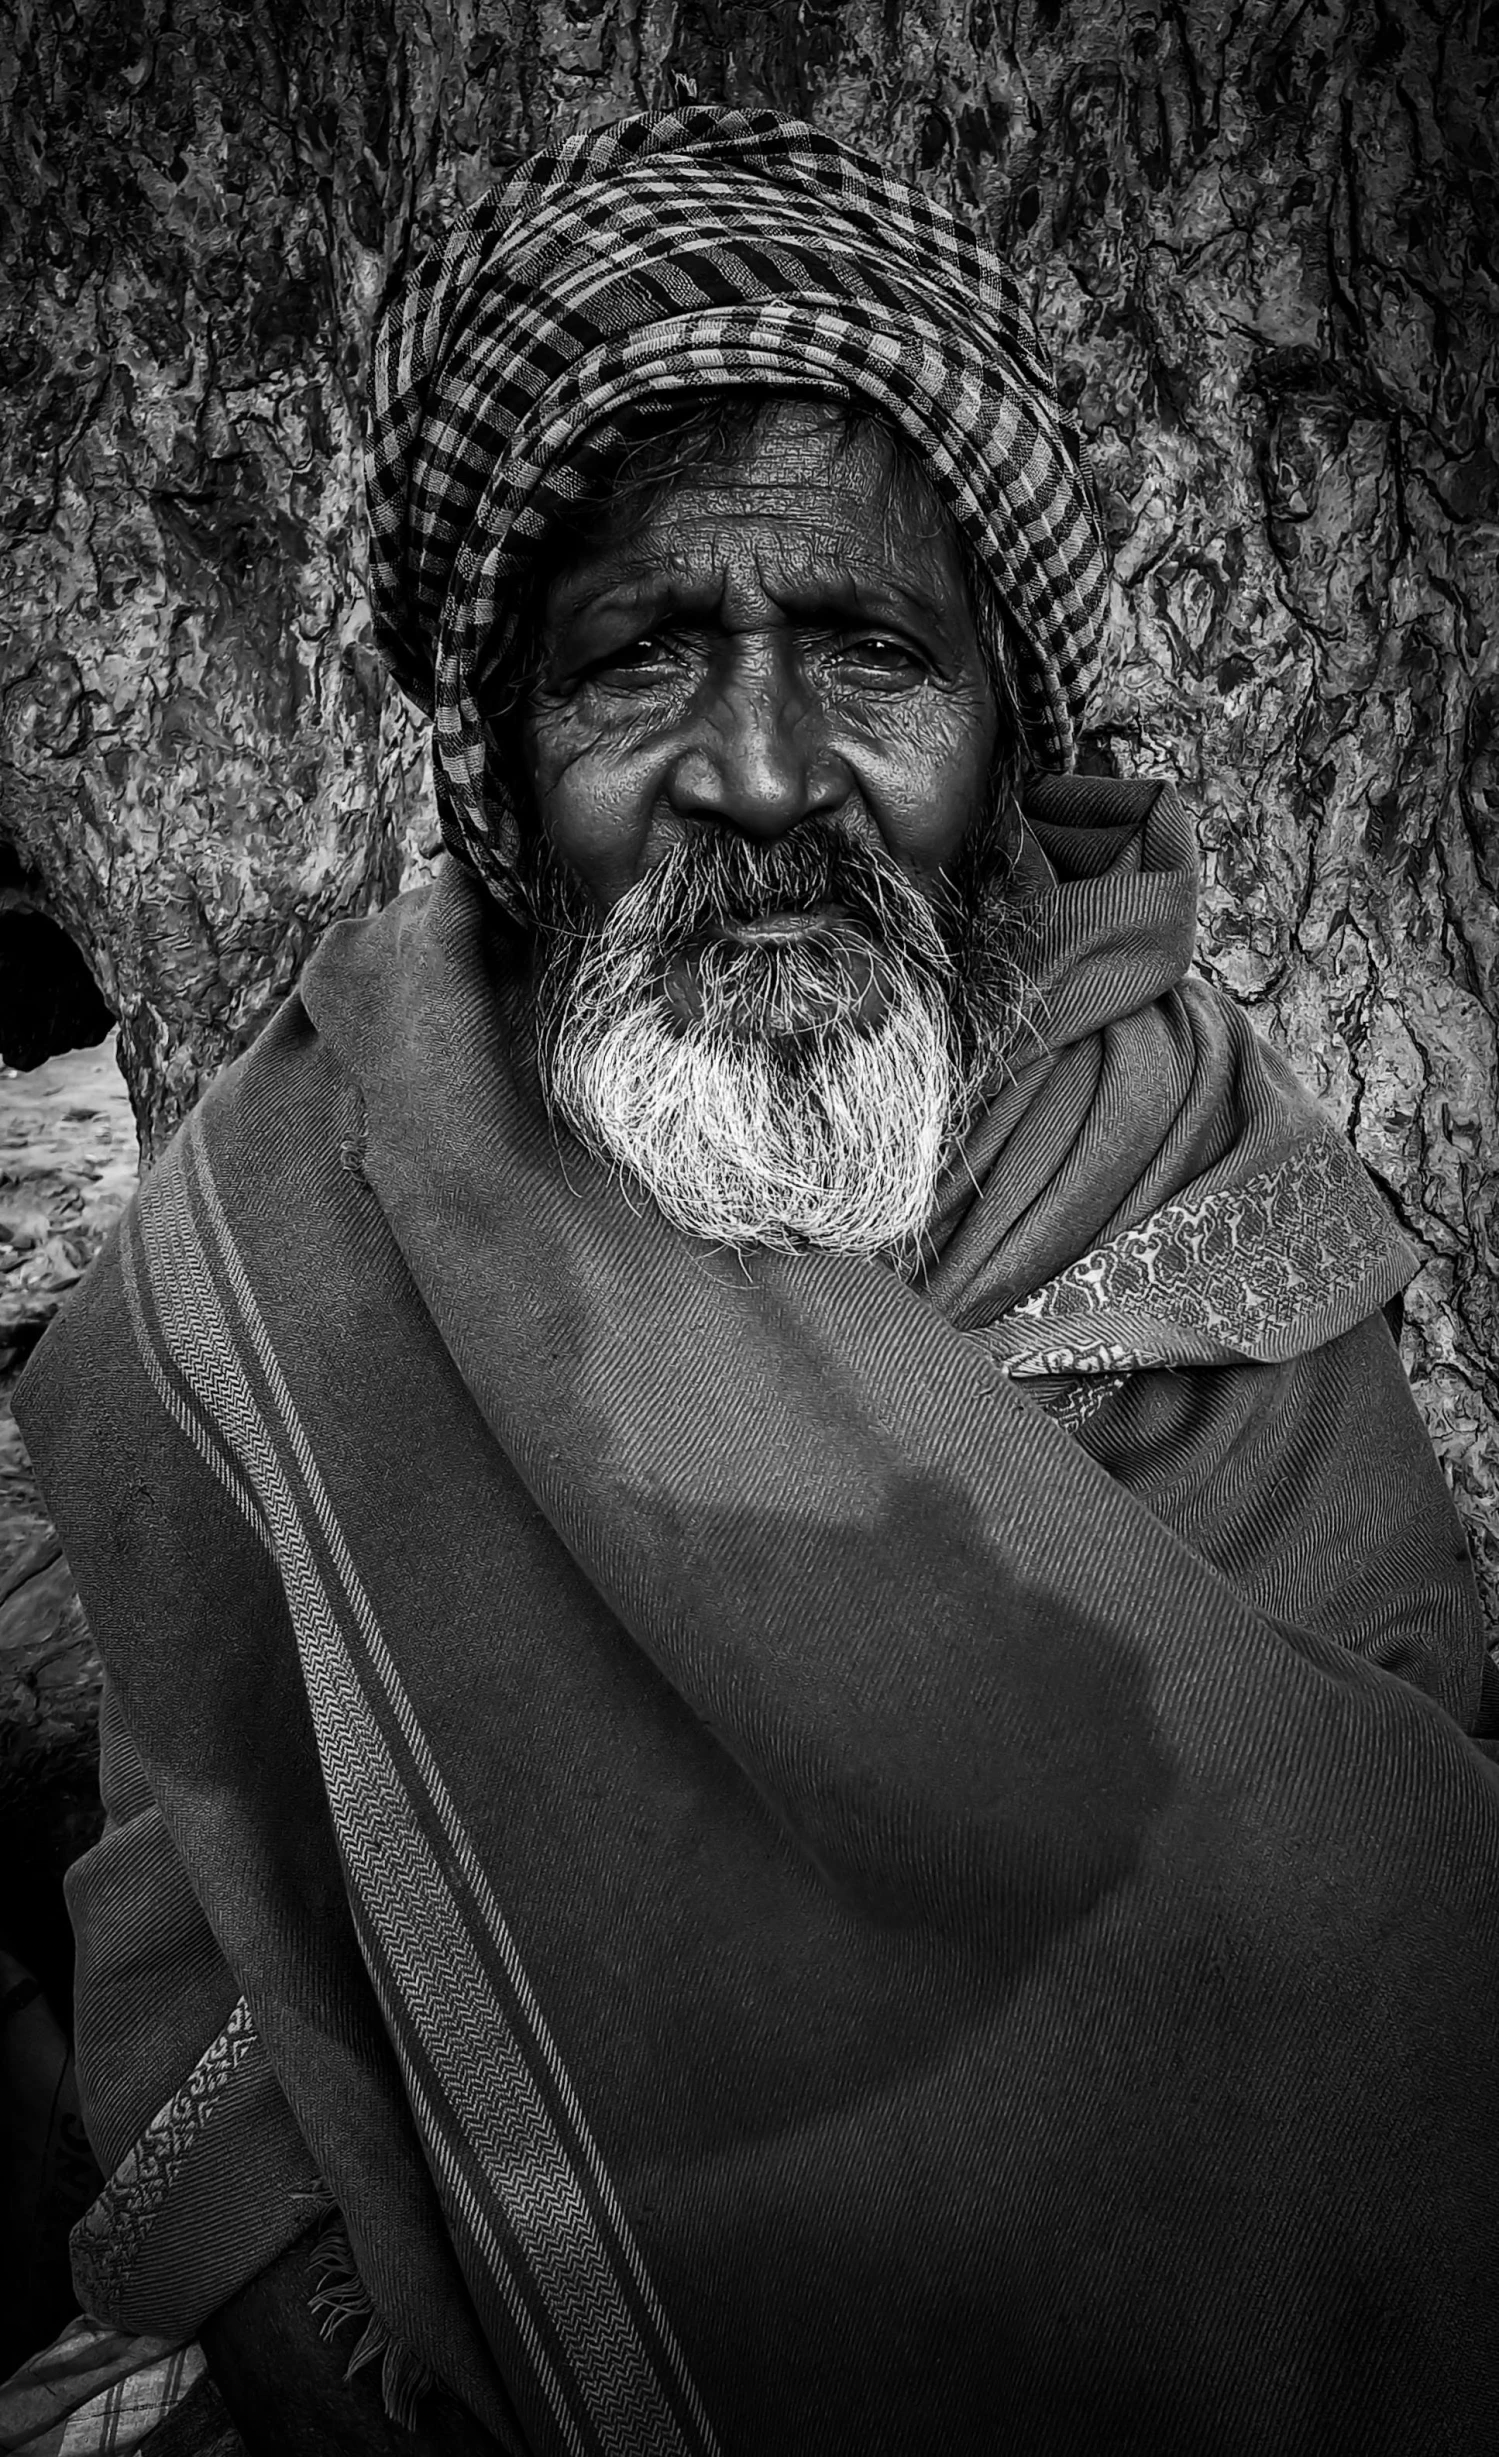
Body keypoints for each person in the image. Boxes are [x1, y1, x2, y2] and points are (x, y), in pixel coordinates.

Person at [13, 104, 1499, 2457]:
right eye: (634, 660)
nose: (761, 771)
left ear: (1010, 720)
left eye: (865, 650)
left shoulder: (1197, 1193)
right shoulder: (300, 1213)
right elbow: (202, 1923)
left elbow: (1358, 1965)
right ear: (500, 749)